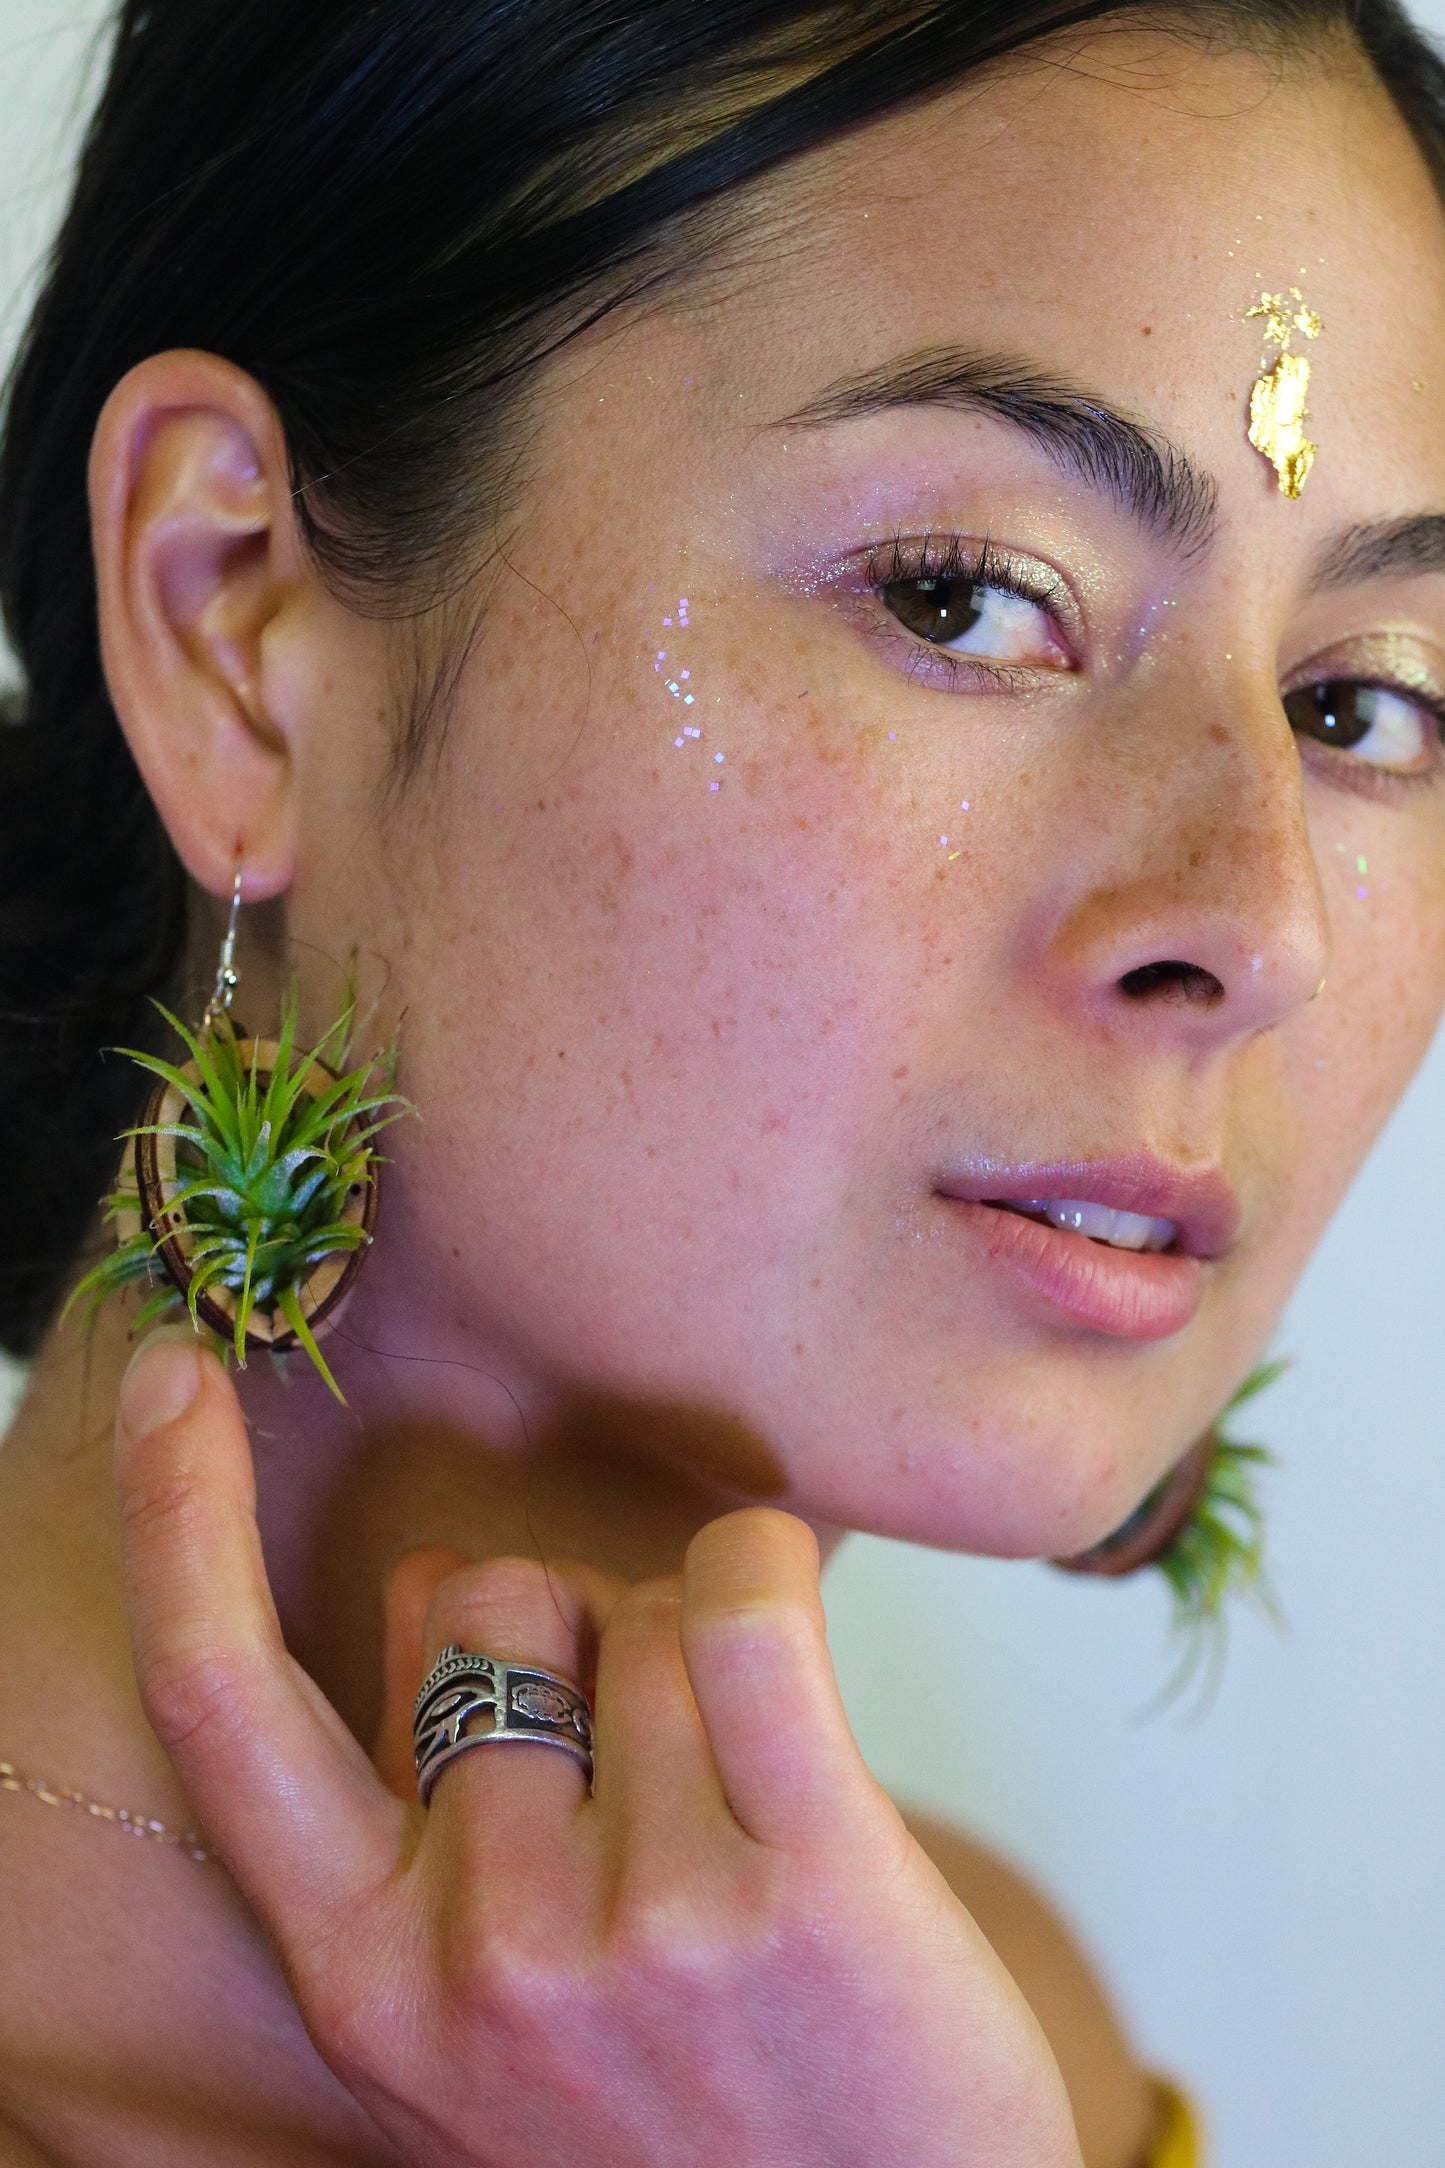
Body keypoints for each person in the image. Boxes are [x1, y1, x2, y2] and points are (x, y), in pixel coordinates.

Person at [2, 0, 1443, 2159]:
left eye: (1368, 706)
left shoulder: (957, 2049)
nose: (1260, 921)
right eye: (968, 596)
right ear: (234, 625)